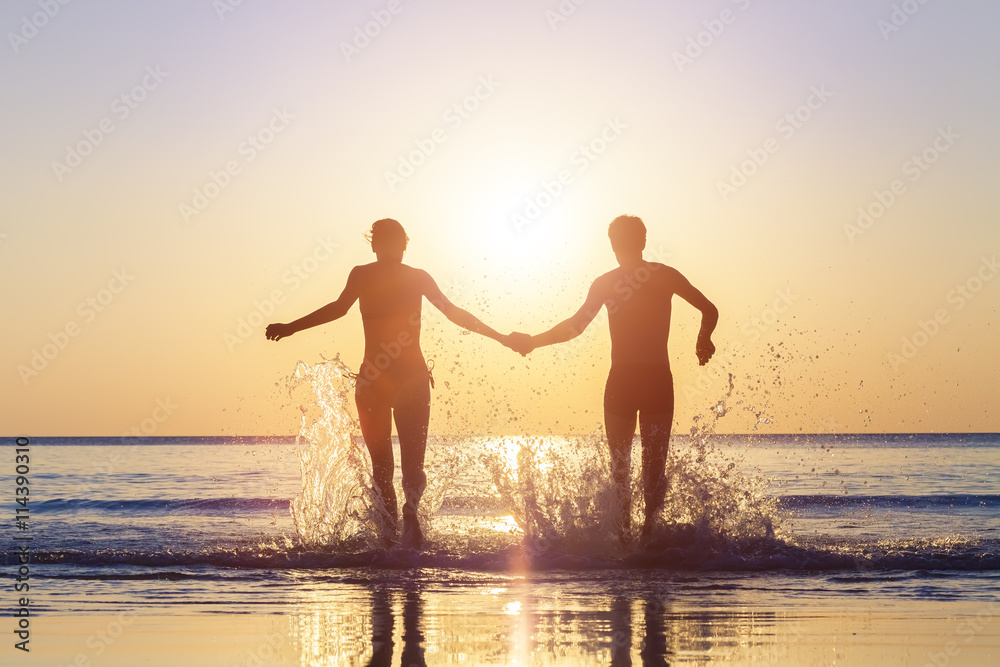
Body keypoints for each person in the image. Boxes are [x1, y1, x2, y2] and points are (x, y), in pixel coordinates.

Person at [265, 219, 511, 549]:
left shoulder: (376, 275)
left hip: (385, 381)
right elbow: (451, 313)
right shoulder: (397, 276)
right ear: (392, 245)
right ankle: (403, 527)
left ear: (384, 245)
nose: (390, 248)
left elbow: (341, 309)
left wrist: (291, 326)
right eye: (389, 242)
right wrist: (502, 338)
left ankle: (395, 538)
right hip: (395, 380)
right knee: (403, 467)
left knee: (393, 468)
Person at [508, 215, 718, 546]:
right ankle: (646, 542)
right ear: (643, 241)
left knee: (623, 470)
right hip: (653, 381)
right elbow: (710, 310)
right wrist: (703, 339)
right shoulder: (660, 276)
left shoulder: (616, 281)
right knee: (649, 470)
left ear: (614, 244)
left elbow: (575, 328)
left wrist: (534, 341)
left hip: (625, 381)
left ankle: (625, 542)